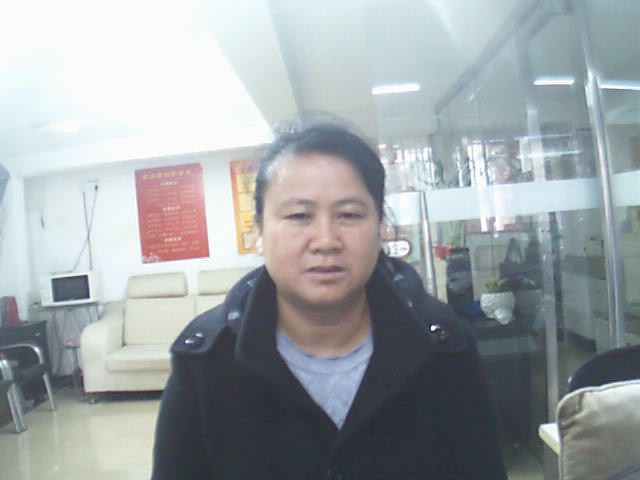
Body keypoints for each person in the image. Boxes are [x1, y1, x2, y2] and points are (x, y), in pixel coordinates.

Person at [151, 123, 507, 479]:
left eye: (349, 215)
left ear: (381, 227)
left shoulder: (443, 348)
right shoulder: (207, 361)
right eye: (299, 216)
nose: (325, 240)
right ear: (259, 229)